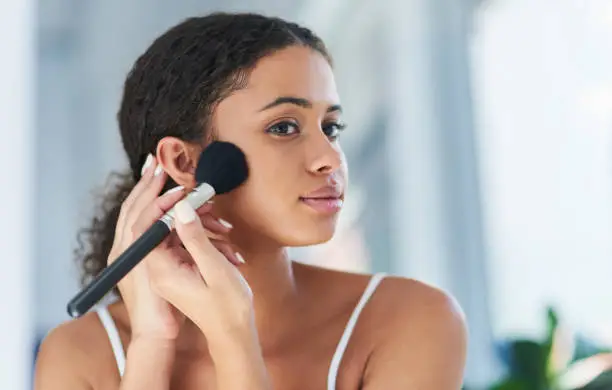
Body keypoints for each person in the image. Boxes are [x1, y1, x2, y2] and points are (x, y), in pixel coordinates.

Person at [34, 12, 467, 389]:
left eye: (330, 127)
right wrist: (152, 342)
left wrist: (234, 337)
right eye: (283, 127)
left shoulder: (410, 322)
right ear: (184, 161)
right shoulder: (78, 356)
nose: (330, 158)